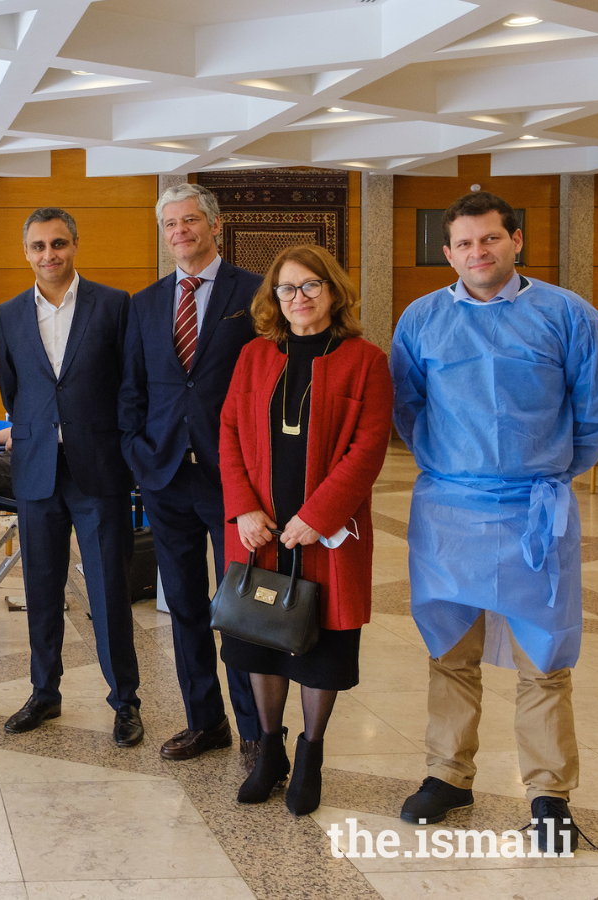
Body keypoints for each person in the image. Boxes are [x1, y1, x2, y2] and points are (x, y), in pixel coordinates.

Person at [391, 191, 598, 852]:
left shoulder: (565, 314)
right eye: (463, 244)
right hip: (449, 510)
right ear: (448, 252)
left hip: (533, 509)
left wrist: (543, 468)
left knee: (543, 658)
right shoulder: (421, 319)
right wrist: (457, 463)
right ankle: (447, 774)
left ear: (515, 240)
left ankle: (549, 793)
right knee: (449, 650)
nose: (477, 253)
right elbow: (406, 404)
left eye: (489, 239)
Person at [219, 244, 393, 815]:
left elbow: (368, 448)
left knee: (321, 647)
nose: (298, 299)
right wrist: (244, 507)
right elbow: (229, 433)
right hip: (260, 532)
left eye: (311, 286)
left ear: (333, 291)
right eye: (287, 289)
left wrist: (318, 517)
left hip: (327, 533)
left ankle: (311, 751)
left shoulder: (365, 360)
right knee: (259, 643)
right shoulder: (254, 356)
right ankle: (270, 751)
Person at [119, 182, 262, 767]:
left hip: (234, 479)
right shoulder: (146, 302)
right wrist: (136, 450)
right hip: (166, 475)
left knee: (243, 608)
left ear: (215, 225)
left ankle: (257, 731)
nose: (180, 232)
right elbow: (132, 386)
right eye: (170, 224)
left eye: (190, 221)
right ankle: (206, 722)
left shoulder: (252, 294)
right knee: (182, 605)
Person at [0, 207, 142, 746]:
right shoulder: (9, 314)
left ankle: (125, 700)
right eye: (38, 246)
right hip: (36, 471)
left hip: (98, 471)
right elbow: (15, 391)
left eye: (58, 243)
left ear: (75, 245)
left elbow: (130, 386)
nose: (48, 254)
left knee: (107, 592)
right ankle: (44, 693)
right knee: (40, 589)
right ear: (26, 252)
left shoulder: (113, 305)